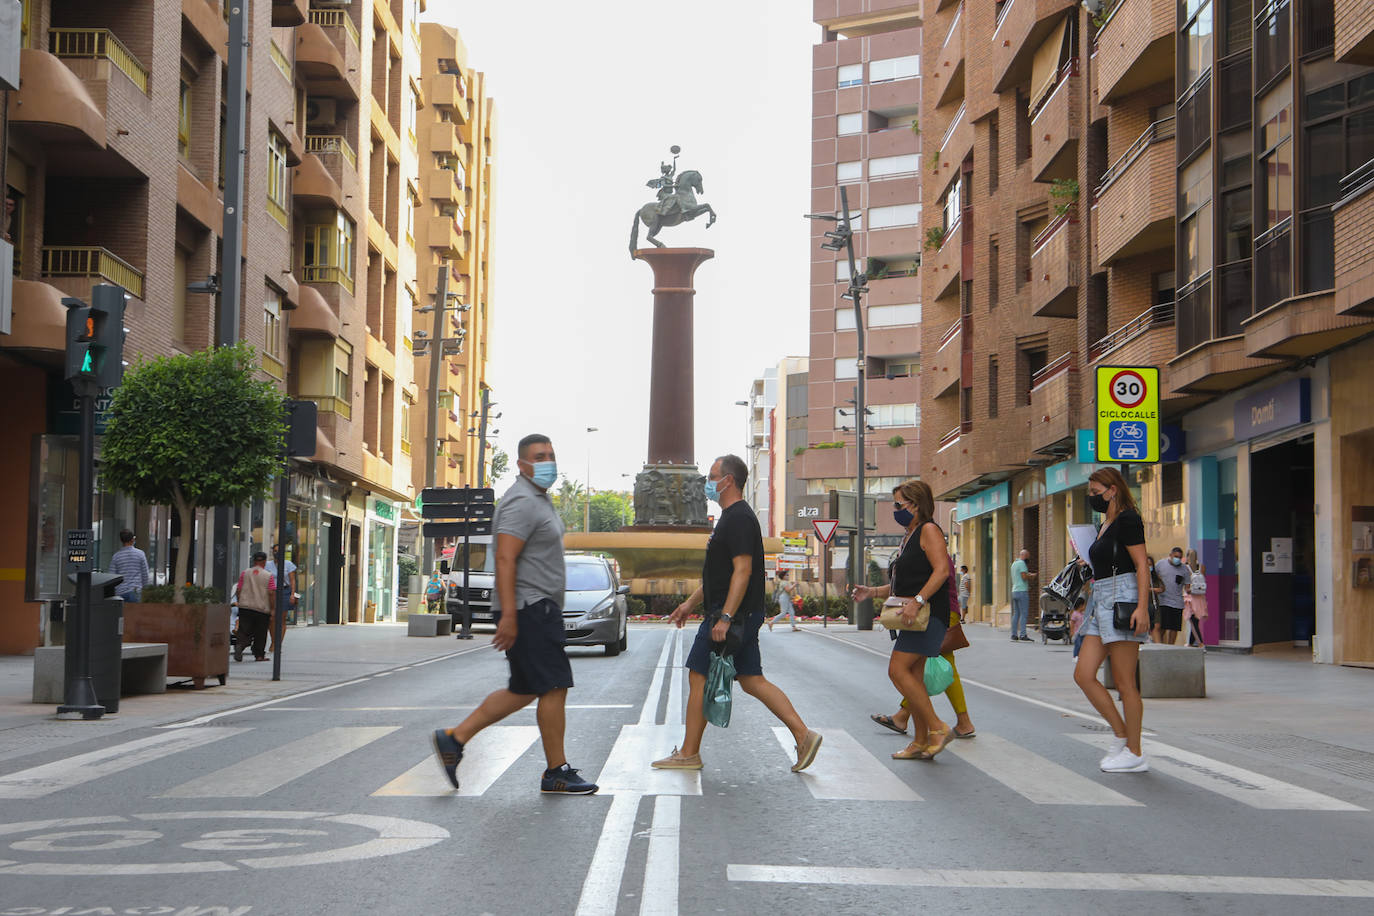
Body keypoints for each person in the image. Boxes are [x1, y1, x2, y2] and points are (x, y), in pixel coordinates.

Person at [431, 434, 598, 795]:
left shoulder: (538, 499)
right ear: (522, 464)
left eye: (551, 454)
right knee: (554, 686)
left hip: (536, 607)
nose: (547, 461)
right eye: (539, 456)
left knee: (525, 689)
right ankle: (556, 770)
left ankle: (454, 739)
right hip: (529, 607)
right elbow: (505, 558)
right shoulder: (521, 502)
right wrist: (508, 614)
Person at [651, 455, 822, 773]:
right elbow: (720, 575)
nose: (707, 483)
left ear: (728, 480)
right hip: (740, 613)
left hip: (732, 615)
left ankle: (689, 753)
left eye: (712, 476)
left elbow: (742, 571)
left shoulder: (739, 518)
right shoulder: (731, 518)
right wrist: (689, 604)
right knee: (752, 679)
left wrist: (725, 617)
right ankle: (803, 735)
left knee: (698, 674)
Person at [852, 479, 954, 760]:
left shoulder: (929, 530)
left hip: (926, 615)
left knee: (897, 671)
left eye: (899, 504)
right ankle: (920, 742)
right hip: (913, 615)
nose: (895, 510)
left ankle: (938, 727)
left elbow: (941, 571)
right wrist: (871, 592)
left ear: (916, 504)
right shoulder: (909, 535)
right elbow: (902, 584)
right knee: (915, 680)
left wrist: (918, 601)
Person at [1073, 467, 1151, 773]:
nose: (1092, 498)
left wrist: (1142, 608)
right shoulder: (1105, 523)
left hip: (1124, 597)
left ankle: (1135, 751)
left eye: (1096, 493)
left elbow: (1142, 565)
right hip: (1100, 599)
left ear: (1113, 490)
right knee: (1084, 674)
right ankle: (1121, 735)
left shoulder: (1129, 518)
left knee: (1124, 682)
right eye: (1090, 493)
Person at [234, 552, 276, 662]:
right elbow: (271, 593)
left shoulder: (245, 573)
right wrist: (272, 608)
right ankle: (259, 655)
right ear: (265, 562)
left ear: (254, 561)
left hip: (245, 607)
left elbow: (238, 589)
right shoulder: (268, 575)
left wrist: (240, 601)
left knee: (244, 629)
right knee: (261, 632)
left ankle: (240, 644)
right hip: (261, 609)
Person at [1152, 547, 1187, 645]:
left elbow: (1187, 585)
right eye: (1176, 556)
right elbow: (1154, 577)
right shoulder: (1160, 564)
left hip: (1177, 603)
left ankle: (1171, 647)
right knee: (1161, 627)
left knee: (1174, 628)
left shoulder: (1184, 569)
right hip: (1163, 601)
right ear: (1170, 555)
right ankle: (1160, 645)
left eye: (1180, 557)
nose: (1177, 559)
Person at [265, 546, 297, 653]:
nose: (276, 553)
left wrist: (292, 594)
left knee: (282, 619)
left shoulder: (289, 564)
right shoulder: (267, 565)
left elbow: (292, 581)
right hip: (271, 592)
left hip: (284, 592)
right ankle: (273, 641)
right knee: (271, 618)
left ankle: (277, 644)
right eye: (274, 551)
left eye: (278, 551)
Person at [107, 529, 151, 603]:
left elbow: (111, 576)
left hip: (120, 592)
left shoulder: (116, 556)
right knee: (135, 614)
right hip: (135, 591)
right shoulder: (140, 554)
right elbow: (145, 574)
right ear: (132, 540)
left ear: (121, 541)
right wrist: (145, 588)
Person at [1009, 548, 1036, 641]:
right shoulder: (1022, 563)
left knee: (1016, 613)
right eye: (1027, 556)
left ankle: (1013, 634)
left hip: (1014, 591)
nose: (1028, 558)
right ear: (1023, 555)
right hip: (1022, 591)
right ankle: (1023, 634)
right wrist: (1031, 576)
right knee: (1024, 614)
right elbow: (1024, 576)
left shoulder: (1014, 564)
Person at [1184, 555, 1208, 649]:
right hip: (1200, 598)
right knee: (1195, 622)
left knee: (1193, 623)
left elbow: (1186, 585)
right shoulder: (1201, 568)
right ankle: (1190, 643)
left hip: (1191, 598)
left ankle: (1200, 643)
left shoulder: (1186, 568)